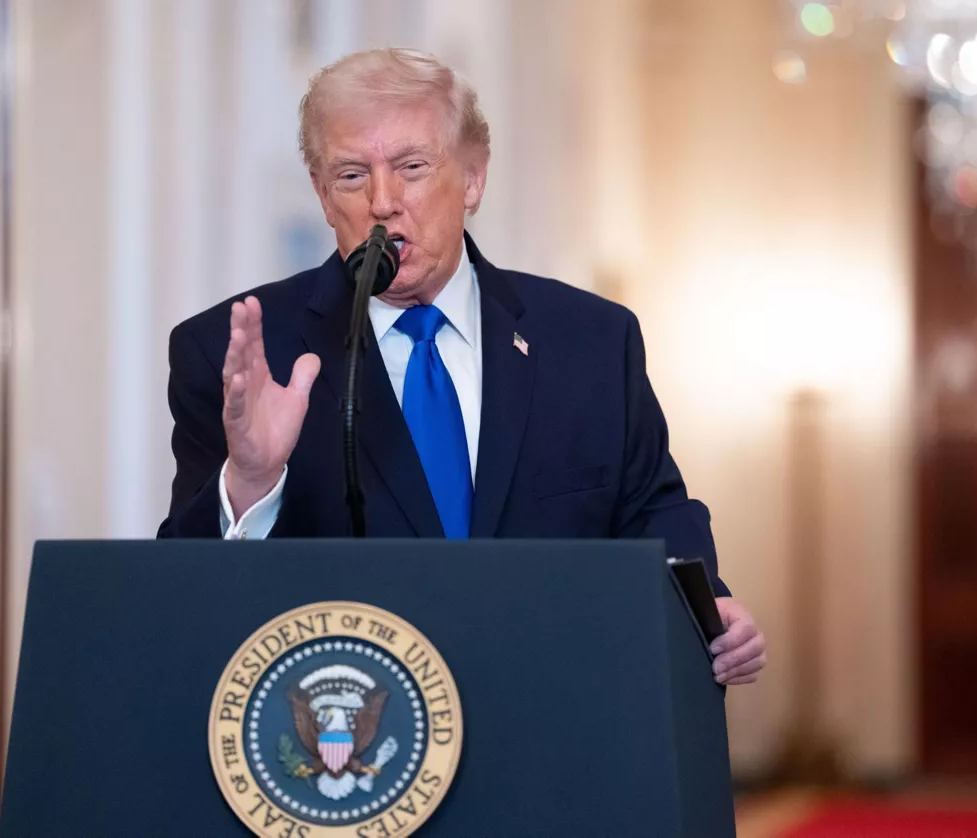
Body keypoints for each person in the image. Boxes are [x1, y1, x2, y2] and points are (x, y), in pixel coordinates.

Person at [159, 48, 765, 686]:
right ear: (321, 194)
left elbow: (652, 514)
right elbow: (180, 603)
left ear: (473, 179)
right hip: (356, 744)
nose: (383, 202)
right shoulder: (238, 355)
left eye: (412, 167)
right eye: (350, 176)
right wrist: (250, 483)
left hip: (556, 721)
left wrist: (711, 610)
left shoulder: (590, 340)